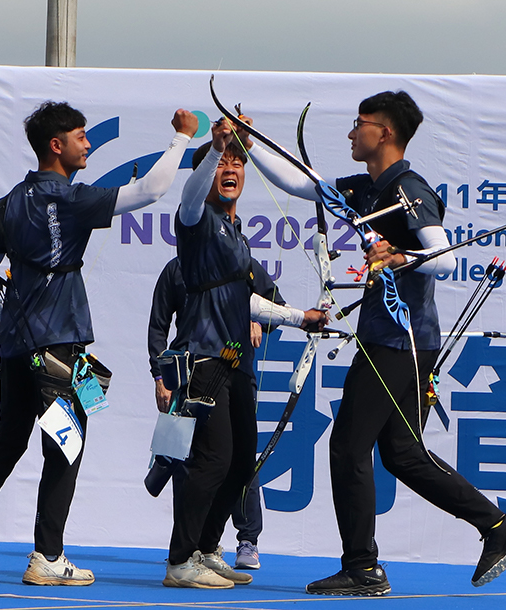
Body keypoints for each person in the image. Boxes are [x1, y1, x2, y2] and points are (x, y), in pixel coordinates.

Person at [246, 91, 506, 596]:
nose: (352, 133)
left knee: (348, 446)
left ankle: (362, 567)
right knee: (402, 453)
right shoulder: (366, 188)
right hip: (402, 343)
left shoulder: (408, 188)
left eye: (360, 124)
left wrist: (399, 255)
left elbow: (444, 258)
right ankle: (498, 526)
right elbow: (302, 182)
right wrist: (248, 144)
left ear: (386, 133)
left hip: (398, 344)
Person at [0, 101, 199, 586]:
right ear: (55, 145)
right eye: (81, 136)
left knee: (8, 440)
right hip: (59, 351)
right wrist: (182, 137)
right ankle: (48, 557)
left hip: (18, 348)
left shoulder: (8, 203)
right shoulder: (72, 199)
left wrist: (6, 322)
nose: (87, 143)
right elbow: (152, 189)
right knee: (67, 443)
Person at [162, 120, 328, 589]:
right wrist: (212, 148)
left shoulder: (235, 233)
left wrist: (300, 317)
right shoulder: (196, 221)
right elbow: (189, 198)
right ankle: (179, 560)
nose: (231, 167)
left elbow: (244, 300)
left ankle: (205, 548)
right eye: (222, 162)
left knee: (239, 464)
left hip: (234, 361)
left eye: (238, 160)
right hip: (204, 358)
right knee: (211, 461)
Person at [147, 254, 283, 571]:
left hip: (234, 375)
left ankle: (247, 539)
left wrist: (256, 317)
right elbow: (158, 325)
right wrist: (159, 376)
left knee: (240, 457)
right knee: (184, 460)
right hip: (188, 378)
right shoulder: (177, 268)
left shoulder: (242, 263)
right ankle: (188, 547)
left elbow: (277, 308)